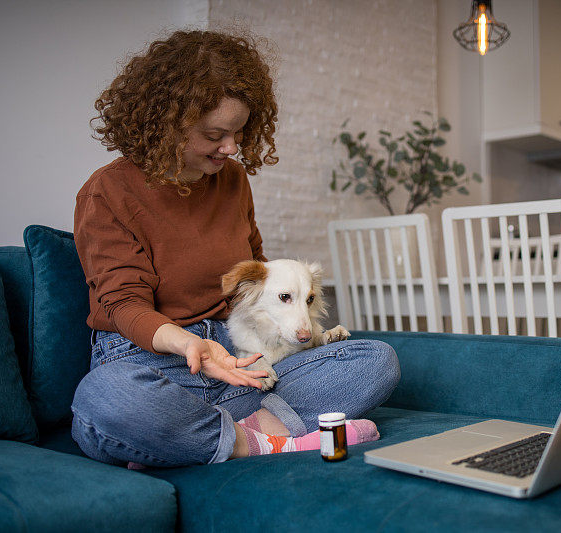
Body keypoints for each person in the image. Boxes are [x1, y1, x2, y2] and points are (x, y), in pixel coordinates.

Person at [70, 29, 400, 467]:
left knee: (376, 360)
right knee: (104, 399)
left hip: (241, 359)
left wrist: (279, 322)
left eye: (239, 133)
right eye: (214, 135)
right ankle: (261, 440)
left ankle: (199, 439)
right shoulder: (107, 191)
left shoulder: (231, 181)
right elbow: (122, 304)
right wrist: (191, 346)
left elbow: (256, 270)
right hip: (153, 363)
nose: (230, 148)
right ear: (167, 123)